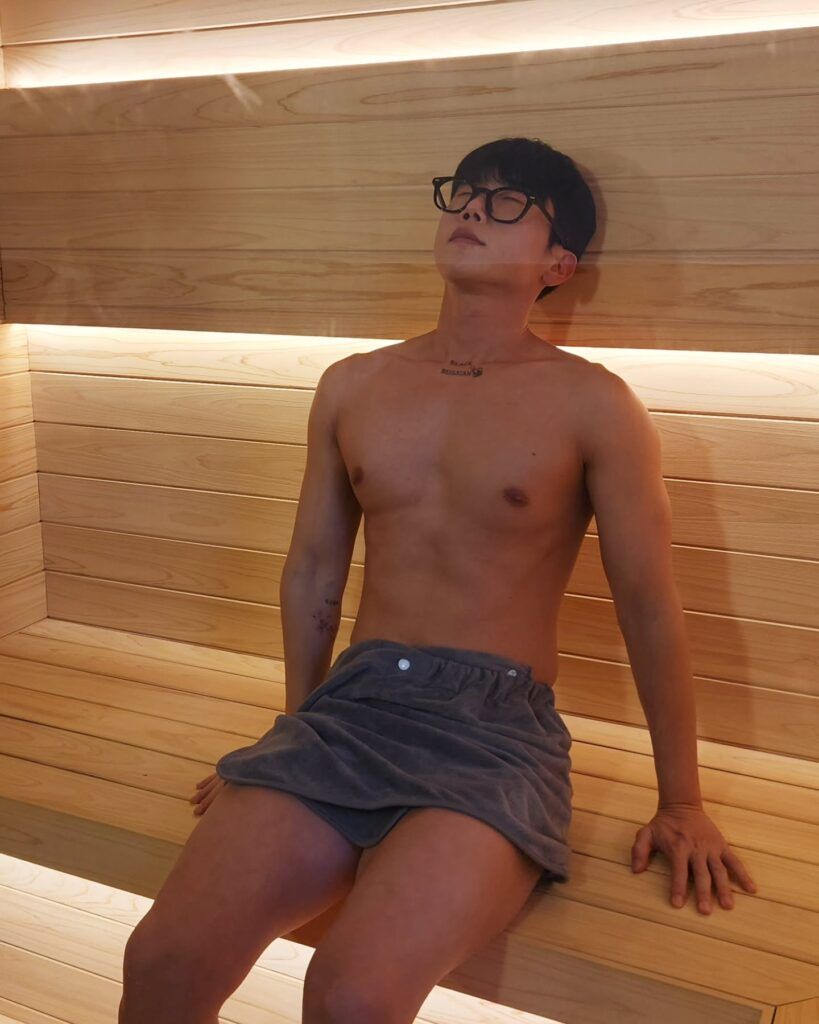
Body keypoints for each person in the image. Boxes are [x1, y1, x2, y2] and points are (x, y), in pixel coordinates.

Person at [119, 137, 757, 1024]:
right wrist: (291, 738)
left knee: (351, 996)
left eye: (508, 203)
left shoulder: (593, 403)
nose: (472, 209)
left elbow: (648, 607)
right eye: (463, 193)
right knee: (162, 958)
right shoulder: (353, 384)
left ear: (558, 263)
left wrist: (680, 799)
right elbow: (314, 572)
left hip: (494, 735)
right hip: (352, 710)